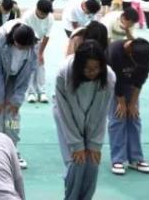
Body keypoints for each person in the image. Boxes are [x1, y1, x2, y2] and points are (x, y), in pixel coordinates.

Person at [54, 40, 116, 200]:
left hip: (94, 122)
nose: (92, 72)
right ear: (79, 65)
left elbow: (101, 112)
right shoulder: (64, 73)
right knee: (77, 161)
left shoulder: (109, 77)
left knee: (93, 162)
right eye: (87, 68)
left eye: (96, 68)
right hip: (66, 120)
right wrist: (76, 143)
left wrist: (95, 143)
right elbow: (64, 111)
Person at [0, 20, 38, 169]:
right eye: (19, 46)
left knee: (12, 116)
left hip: (15, 79)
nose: (22, 49)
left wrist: (17, 99)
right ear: (13, 39)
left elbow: (26, 75)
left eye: (25, 47)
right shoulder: (0, 38)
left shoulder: (33, 43)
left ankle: (12, 150)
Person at [106, 37, 149, 176]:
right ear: (129, 52)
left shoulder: (145, 54)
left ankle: (136, 159)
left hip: (131, 85)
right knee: (118, 117)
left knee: (134, 117)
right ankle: (117, 159)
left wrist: (133, 103)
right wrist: (121, 103)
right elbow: (116, 81)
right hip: (112, 83)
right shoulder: (115, 51)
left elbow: (140, 80)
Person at [22, 0, 53, 103]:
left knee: (40, 65)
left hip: (39, 41)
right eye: (42, 13)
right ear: (37, 9)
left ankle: (42, 92)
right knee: (29, 66)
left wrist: (40, 53)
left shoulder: (50, 17)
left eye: (46, 14)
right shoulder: (27, 16)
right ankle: (31, 93)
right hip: (26, 41)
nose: (44, 16)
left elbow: (47, 36)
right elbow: (24, 33)